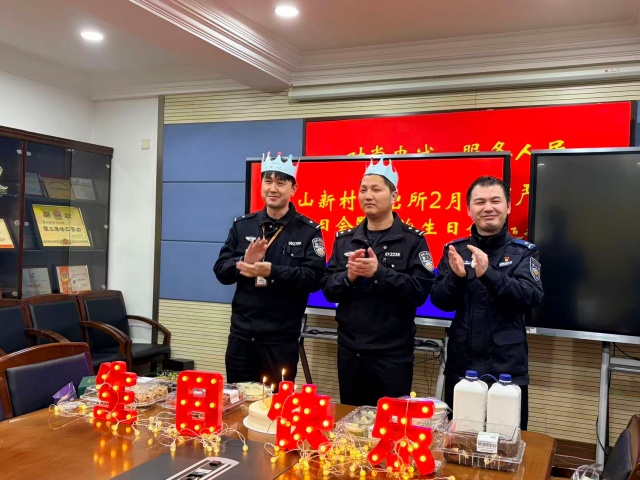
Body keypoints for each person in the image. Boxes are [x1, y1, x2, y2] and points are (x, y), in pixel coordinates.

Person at [430, 176, 544, 429]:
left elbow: (531, 296)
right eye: (480, 202)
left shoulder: (524, 252)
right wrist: (457, 278)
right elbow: (440, 301)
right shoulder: (455, 250)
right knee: (460, 437)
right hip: (462, 364)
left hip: (507, 368)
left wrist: (489, 274)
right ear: (469, 209)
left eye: (495, 201)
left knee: (507, 438)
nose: (488, 208)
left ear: (508, 206)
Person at [321, 159, 435, 407]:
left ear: (394, 196)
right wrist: (349, 277)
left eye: (376, 189)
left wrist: (380, 273)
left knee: (391, 422)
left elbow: (419, 292)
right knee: (351, 420)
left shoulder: (413, 241)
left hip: (392, 356)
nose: (368, 195)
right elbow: (328, 289)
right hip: (350, 352)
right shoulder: (345, 240)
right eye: (363, 190)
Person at [213, 152, 326, 385]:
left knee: (276, 403)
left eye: (280, 183)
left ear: (293, 188)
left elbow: (315, 278)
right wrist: (244, 261)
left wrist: (272, 272)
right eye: (268, 181)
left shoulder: (308, 230)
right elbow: (221, 271)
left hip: (281, 341)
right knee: (238, 400)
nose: (273, 188)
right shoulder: (243, 225)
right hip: (241, 337)